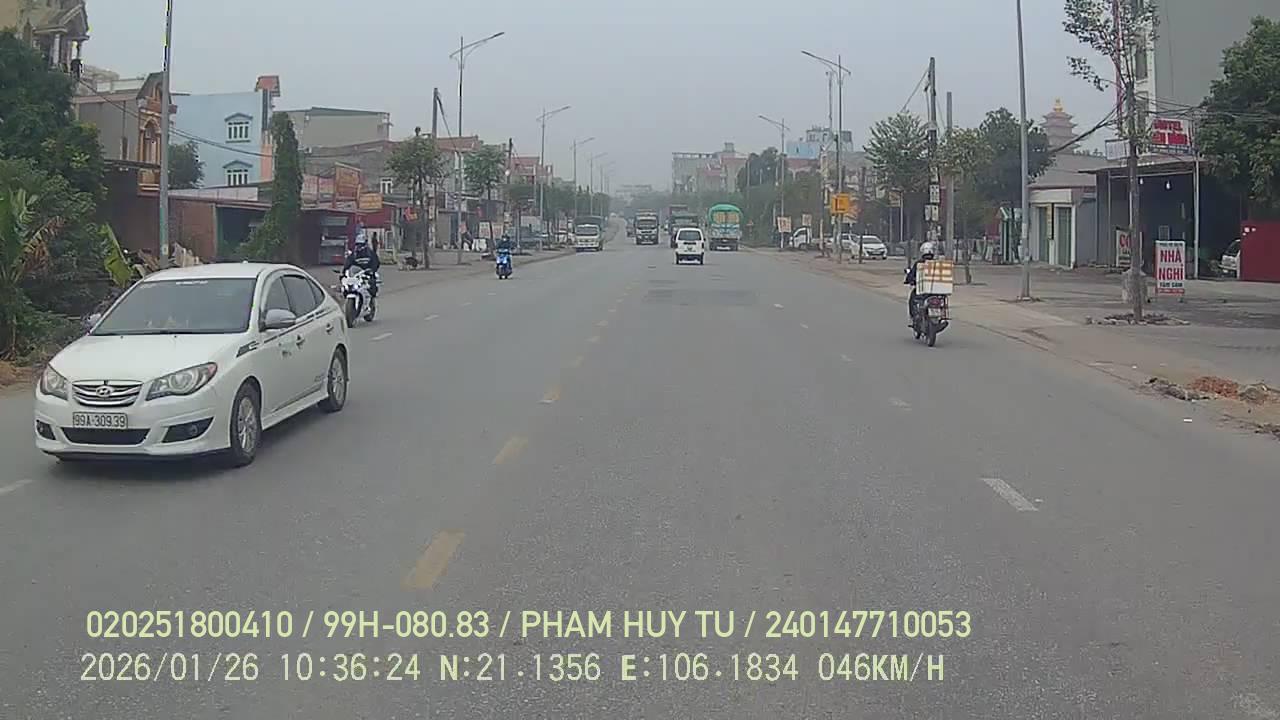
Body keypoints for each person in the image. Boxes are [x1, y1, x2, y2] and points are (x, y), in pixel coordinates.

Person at [904, 241, 938, 323]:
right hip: (935, 290)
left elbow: (911, 276)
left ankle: (913, 317)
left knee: (912, 299)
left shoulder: (918, 264)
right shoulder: (937, 264)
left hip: (921, 290)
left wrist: (908, 280)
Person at [344, 231, 381, 297]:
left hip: (367, 274)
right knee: (347, 286)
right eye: (357, 244)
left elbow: (376, 262)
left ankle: (371, 298)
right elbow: (348, 263)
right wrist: (344, 272)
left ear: (365, 244)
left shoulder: (370, 253)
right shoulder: (354, 254)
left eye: (361, 244)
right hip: (357, 275)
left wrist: (372, 270)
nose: (359, 246)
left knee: (372, 284)